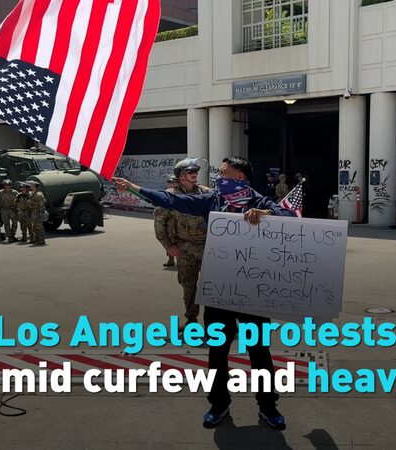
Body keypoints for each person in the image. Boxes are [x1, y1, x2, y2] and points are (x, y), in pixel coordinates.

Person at [113, 156, 295, 431]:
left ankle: (268, 406)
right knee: (218, 351)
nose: (218, 179)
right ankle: (218, 403)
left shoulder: (260, 202)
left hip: (252, 292)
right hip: (219, 288)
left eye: (224, 174)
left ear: (241, 178)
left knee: (259, 352)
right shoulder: (213, 201)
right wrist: (133, 188)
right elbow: (170, 200)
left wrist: (267, 216)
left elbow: (290, 218)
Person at [154, 160, 212, 324]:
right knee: (188, 285)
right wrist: (168, 245)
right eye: (190, 171)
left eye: (195, 171)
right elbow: (159, 223)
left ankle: (215, 322)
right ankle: (191, 320)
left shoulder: (206, 193)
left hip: (207, 246)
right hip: (184, 248)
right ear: (180, 176)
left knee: (212, 285)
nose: (194, 174)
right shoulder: (169, 196)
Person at [156, 175, 180, 268]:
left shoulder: (180, 193)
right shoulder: (166, 193)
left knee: (178, 243)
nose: (171, 184)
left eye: (173, 182)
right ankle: (170, 260)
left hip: (178, 224)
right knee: (169, 242)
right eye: (170, 183)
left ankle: (179, 261)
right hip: (168, 224)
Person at [28, 180, 47, 246]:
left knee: (39, 227)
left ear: (35, 187)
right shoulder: (33, 193)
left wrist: (41, 213)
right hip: (34, 212)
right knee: (34, 227)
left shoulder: (39, 194)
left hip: (38, 212)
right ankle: (37, 239)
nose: (31, 187)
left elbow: (42, 204)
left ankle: (41, 240)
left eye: (32, 186)